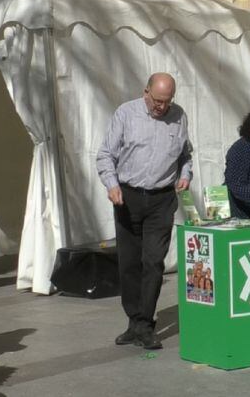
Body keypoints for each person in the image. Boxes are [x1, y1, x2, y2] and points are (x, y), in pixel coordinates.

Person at [96, 73, 192, 351]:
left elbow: (186, 154)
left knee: (153, 262)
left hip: (162, 199)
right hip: (128, 197)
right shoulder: (126, 114)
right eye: (157, 100)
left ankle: (146, 324)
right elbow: (105, 155)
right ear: (146, 92)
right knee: (129, 264)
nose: (161, 107)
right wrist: (112, 184)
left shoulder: (179, 116)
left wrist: (185, 173)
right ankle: (133, 321)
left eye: (167, 101)